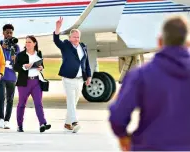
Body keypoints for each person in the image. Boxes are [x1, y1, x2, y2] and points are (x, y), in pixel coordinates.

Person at [109, 15, 190, 151]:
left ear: (160, 41)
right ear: (188, 44)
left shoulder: (141, 75)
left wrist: (124, 137)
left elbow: (118, 117)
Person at [53, 17, 92, 133]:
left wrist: (88, 76)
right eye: (74, 37)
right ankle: (75, 122)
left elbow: (87, 62)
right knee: (70, 101)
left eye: (78, 37)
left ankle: (67, 124)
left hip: (80, 79)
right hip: (68, 78)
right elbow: (56, 40)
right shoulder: (66, 45)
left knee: (74, 102)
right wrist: (58, 28)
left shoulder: (83, 47)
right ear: (70, 38)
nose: (76, 39)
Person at [13, 35, 51, 133]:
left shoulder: (39, 53)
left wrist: (41, 67)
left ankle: (42, 123)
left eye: (29, 42)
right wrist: (24, 66)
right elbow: (15, 67)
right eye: (26, 42)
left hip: (36, 82)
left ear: (34, 43)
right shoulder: (21, 55)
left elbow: (41, 65)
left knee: (38, 103)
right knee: (21, 104)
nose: (27, 44)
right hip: (24, 83)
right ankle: (19, 125)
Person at [0, 24, 20, 129]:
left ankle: (7, 120)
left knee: (10, 99)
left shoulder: (16, 46)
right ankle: (1, 119)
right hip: (1, 75)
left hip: (11, 76)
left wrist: (15, 56)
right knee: (1, 97)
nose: (9, 34)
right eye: (7, 32)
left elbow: (18, 62)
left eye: (11, 32)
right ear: (3, 33)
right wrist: (2, 48)